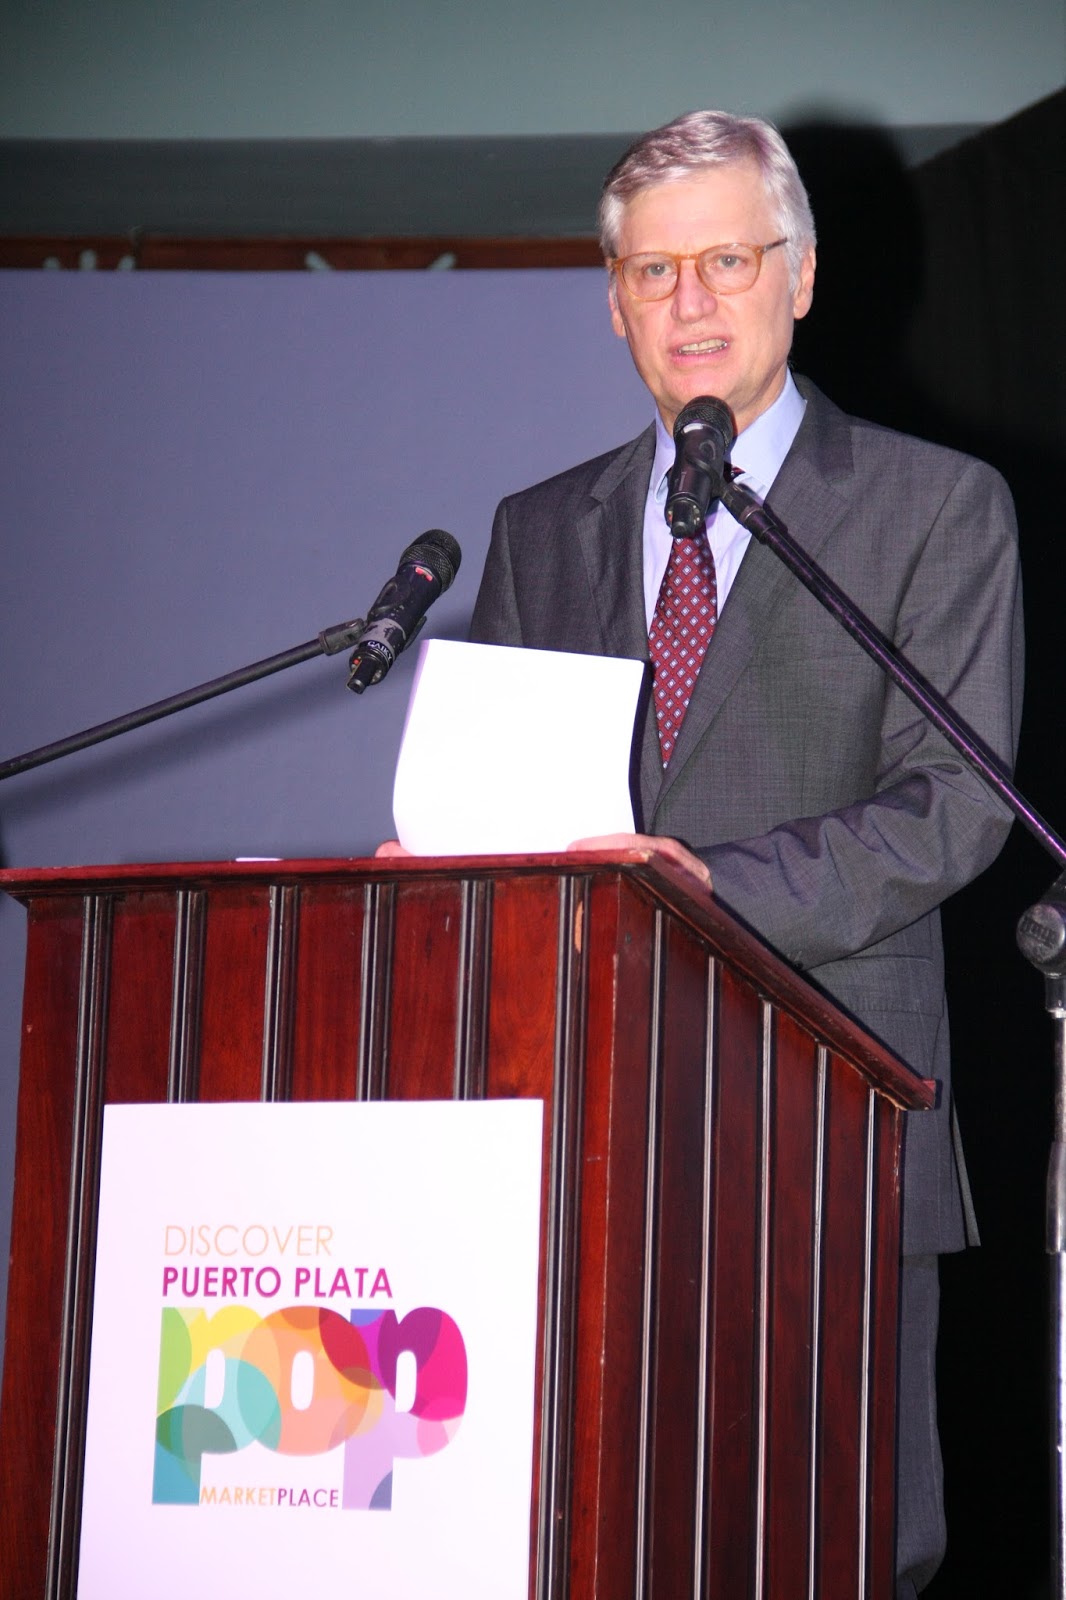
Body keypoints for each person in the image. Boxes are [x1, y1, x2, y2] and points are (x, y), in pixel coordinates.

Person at [468, 109, 1023, 1596]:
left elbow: (955, 803)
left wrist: (708, 891)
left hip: (830, 1119)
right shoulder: (541, 530)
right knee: (603, 1540)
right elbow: (511, 801)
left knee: (835, 1544)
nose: (691, 302)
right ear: (614, 303)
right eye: (653, 272)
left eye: (727, 259)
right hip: (589, 1133)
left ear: (803, 275)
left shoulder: (932, 506)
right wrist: (456, 866)